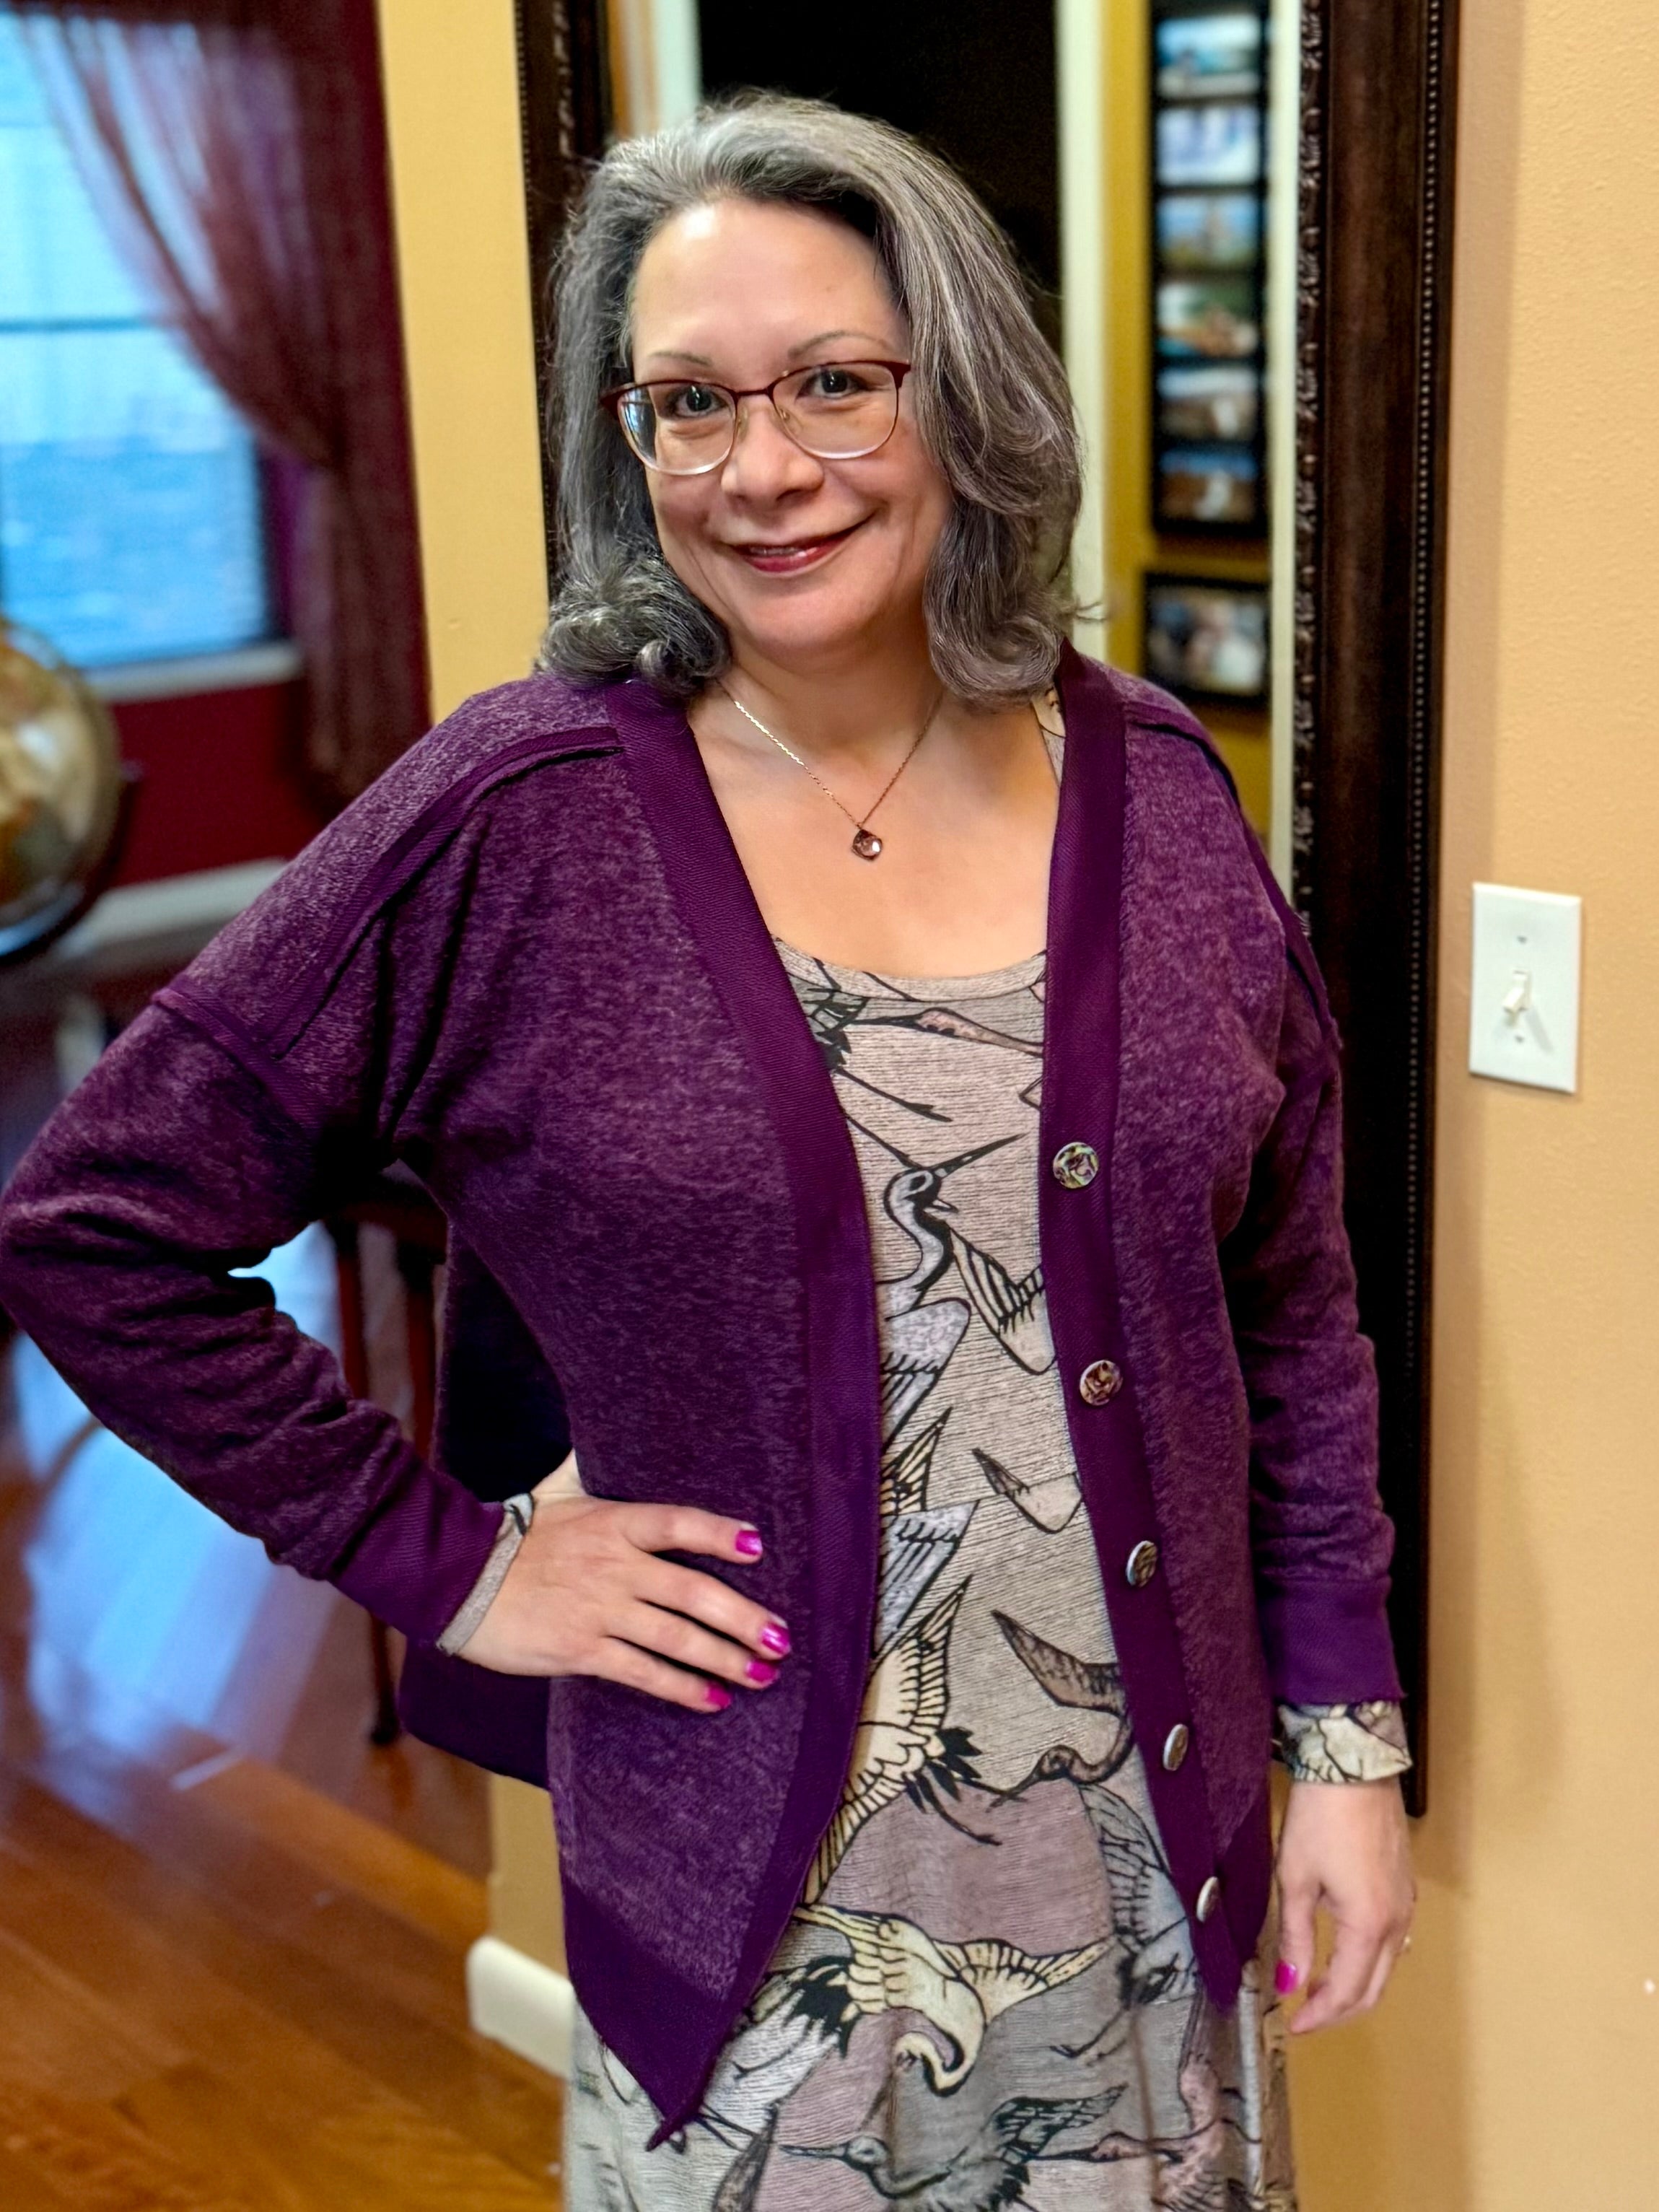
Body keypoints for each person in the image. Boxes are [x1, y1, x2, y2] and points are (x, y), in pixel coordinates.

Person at [0, 96, 1414, 2208]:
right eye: (687, 403)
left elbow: (1286, 1290)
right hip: (769, 1922)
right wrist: (451, 1559)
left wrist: (1342, 1741)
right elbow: (93, 1227)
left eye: (838, 381)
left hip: (1155, 1862)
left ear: (965, 395)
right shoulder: (516, 817)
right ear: (625, 443)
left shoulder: (1152, 784)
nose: (762, 469)